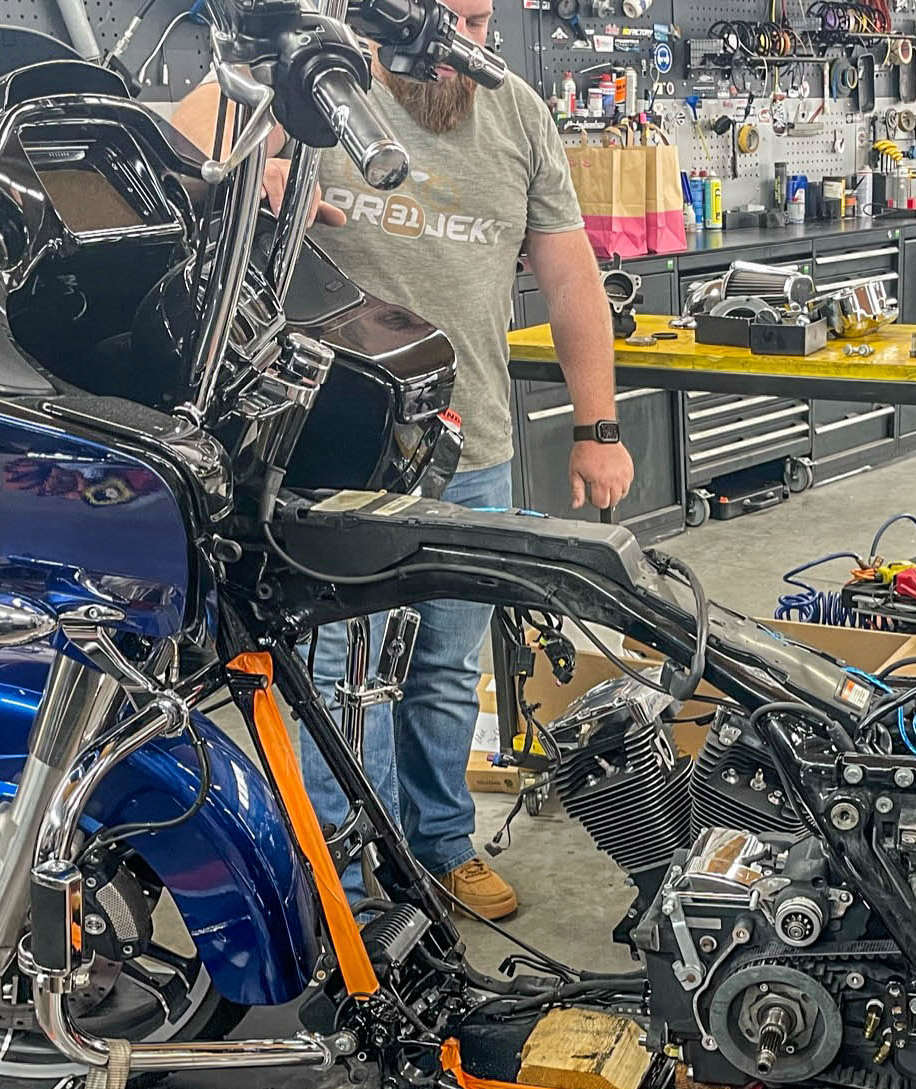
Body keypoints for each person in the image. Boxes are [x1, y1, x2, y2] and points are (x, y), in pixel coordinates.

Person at [172, 0, 633, 919]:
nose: (461, 40)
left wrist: (599, 427)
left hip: (471, 443)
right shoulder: (308, 77)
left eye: (480, 20)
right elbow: (168, 154)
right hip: (327, 453)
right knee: (340, 679)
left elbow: (570, 275)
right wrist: (237, 173)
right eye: (443, 15)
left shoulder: (516, 110)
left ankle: (440, 847)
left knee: (445, 670)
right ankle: (351, 886)